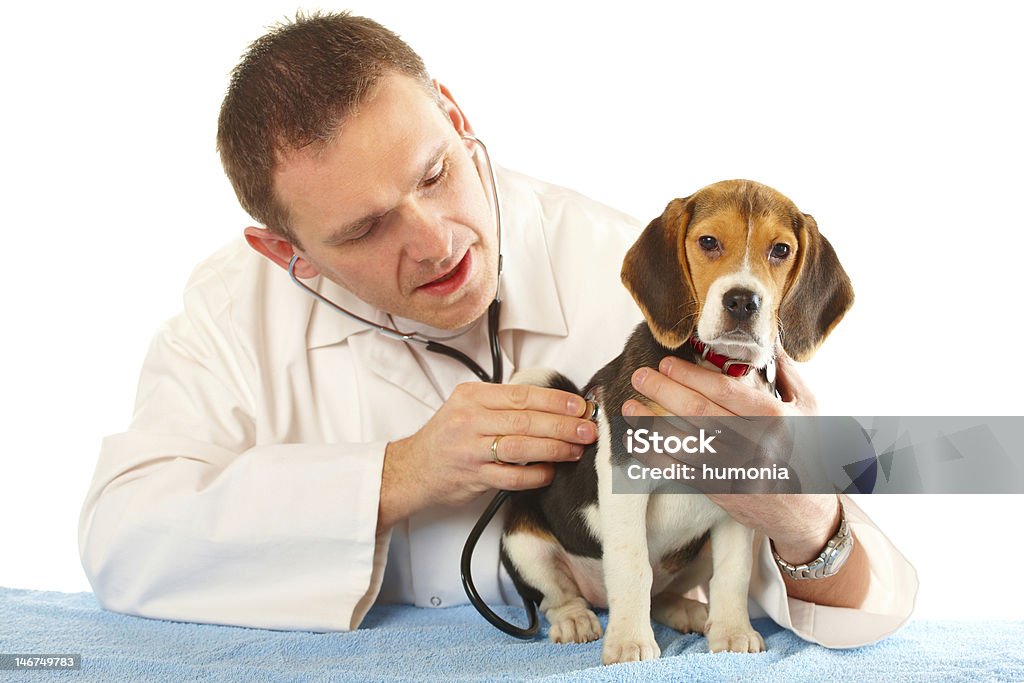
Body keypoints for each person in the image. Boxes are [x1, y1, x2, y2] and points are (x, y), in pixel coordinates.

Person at [78, 11, 916, 647]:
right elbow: (120, 539)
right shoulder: (227, 320)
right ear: (285, 251)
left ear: (452, 111)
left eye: (435, 173)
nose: (437, 241)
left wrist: (810, 522)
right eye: (364, 230)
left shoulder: (649, 275)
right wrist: (396, 475)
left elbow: (883, 591)